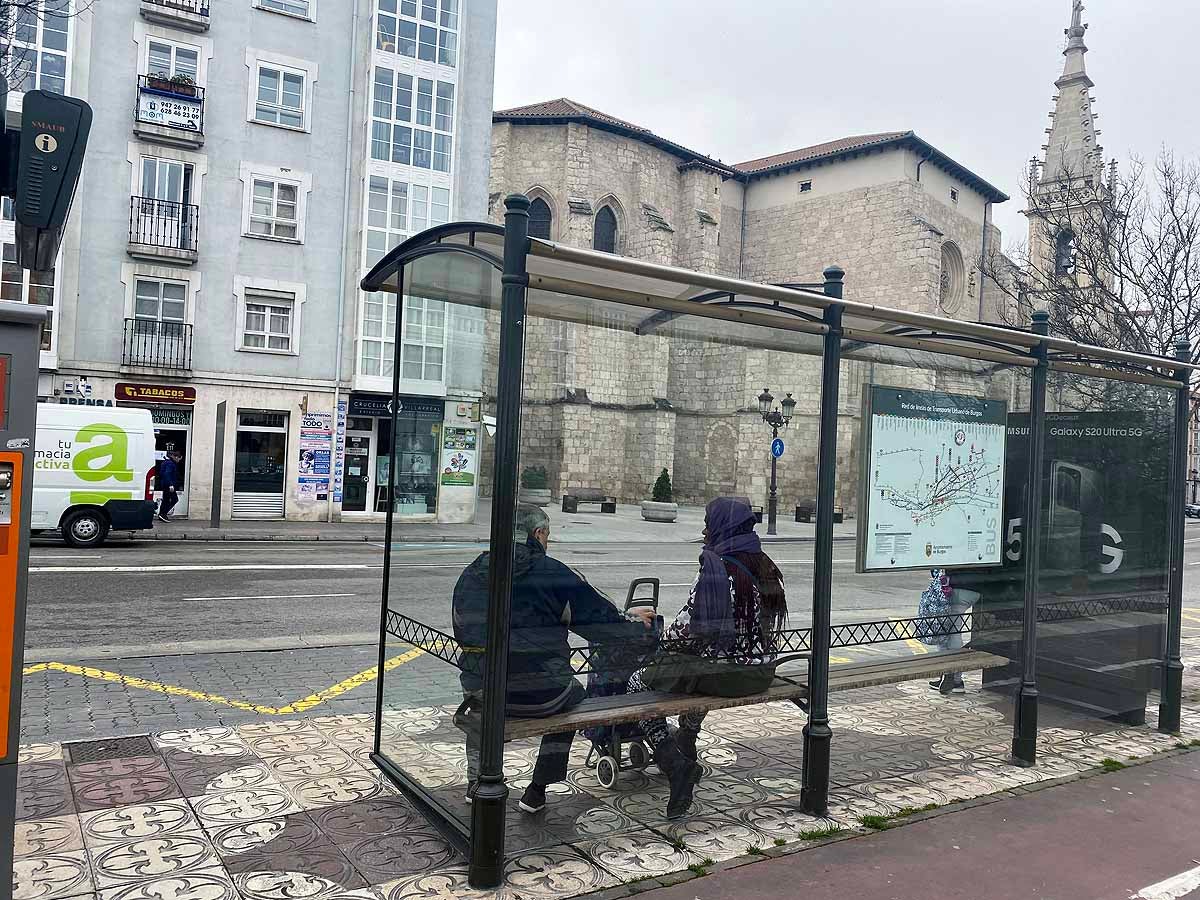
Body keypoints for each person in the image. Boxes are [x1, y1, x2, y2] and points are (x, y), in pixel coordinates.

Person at [452, 503, 654, 814]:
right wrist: (634, 623)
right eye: (548, 536)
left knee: (481, 704)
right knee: (573, 697)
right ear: (539, 533)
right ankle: (538, 789)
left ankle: (475, 781)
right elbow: (599, 622)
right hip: (539, 693)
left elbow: (462, 626)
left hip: (482, 690)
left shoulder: (473, 572)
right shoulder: (554, 573)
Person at [627, 496, 787, 819]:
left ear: (722, 526)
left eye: (708, 522)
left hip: (727, 676)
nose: (703, 529)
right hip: (761, 673)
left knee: (637, 682)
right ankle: (686, 740)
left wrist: (660, 642)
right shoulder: (765, 565)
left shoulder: (716, 569)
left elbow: (688, 628)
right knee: (698, 671)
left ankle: (674, 764)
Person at [156, 451, 182, 522]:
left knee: (166, 500)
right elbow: (167, 474)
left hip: (165, 484)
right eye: (179, 459)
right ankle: (163, 514)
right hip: (168, 485)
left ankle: (162, 514)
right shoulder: (170, 464)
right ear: (176, 457)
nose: (179, 461)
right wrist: (170, 484)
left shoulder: (167, 462)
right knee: (174, 499)